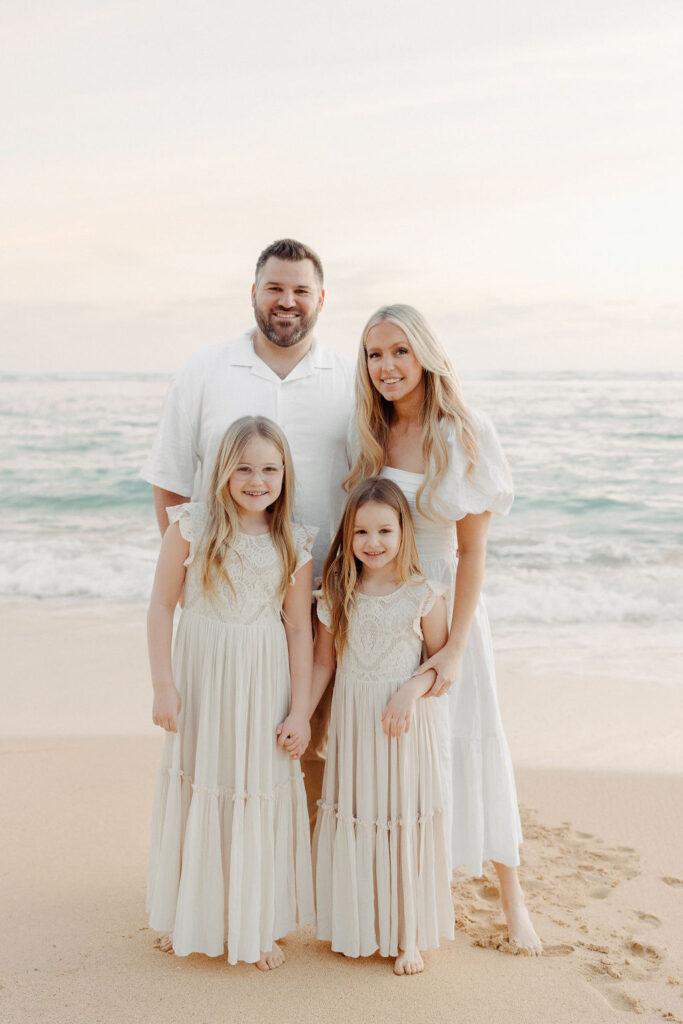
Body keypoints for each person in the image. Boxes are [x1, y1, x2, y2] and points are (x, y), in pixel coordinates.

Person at [345, 304, 542, 956]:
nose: (388, 366)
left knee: (473, 738)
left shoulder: (464, 431)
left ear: (424, 354)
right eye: (375, 355)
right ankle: (411, 896)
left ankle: (512, 902)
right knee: (411, 754)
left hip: (449, 609)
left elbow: (473, 553)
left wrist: (454, 648)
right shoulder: (368, 434)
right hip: (387, 611)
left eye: (399, 351)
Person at [141, 238, 354, 821]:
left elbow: (367, 482)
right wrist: (197, 573)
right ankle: (219, 870)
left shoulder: (347, 378)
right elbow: (169, 478)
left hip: (319, 591)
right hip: (230, 601)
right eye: (275, 289)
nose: (287, 302)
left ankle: (298, 871)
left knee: (310, 734)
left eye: (300, 291)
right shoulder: (205, 370)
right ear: (254, 293)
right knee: (223, 741)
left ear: (320, 298)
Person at [146, 416, 315, 970]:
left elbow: (297, 628)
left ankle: (257, 921)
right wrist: (163, 685)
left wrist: (301, 709)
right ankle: (187, 912)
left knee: (254, 791)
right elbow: (161, 607)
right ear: (222, 470)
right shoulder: (192, 526)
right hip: (201, 679)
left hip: (262, 680)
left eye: (269, 468)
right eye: (243, 467)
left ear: (285, 474)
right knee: (202, 784)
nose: (256, 479)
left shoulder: (294, 539)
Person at [306, 477, 454, 976]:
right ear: (347, 536)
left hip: (403, 728)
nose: (373, 542)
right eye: (361, 531)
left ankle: (409, 934)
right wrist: (300, 715)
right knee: (359, 814)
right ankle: (359, 925)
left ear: (403, 532)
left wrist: (409, 691)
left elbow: (443, 666)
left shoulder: (423, 595)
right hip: (354, 725)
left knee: (403, 821)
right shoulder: (338, 594)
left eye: (384, 530)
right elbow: (323, 665)